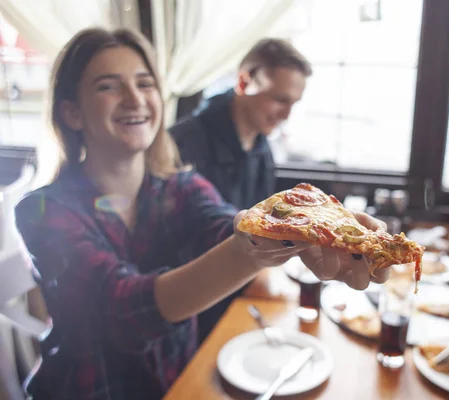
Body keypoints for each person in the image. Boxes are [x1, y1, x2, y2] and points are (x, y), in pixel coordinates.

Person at [15, 28, 387, 399]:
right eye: (108, 86)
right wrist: (248, 251)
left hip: (181, 382)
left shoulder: (179, 187)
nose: (135, 98)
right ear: (72, 113)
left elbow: (226, 223)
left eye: (145, 83)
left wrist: (295, 226)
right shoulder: (42, 212)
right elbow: (124, 309)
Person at [169, 38, 312, 210]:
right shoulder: (182, 144)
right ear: (244, 83)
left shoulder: (262, 147)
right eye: (280, 100)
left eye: (293, 103)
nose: (287, 115)